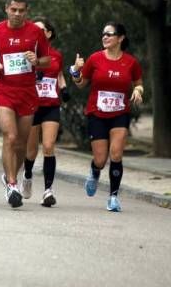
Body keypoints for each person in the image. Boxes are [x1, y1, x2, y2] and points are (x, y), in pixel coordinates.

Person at [0, 0, 50, 208]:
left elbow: (47, 60)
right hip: (3, 89)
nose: (17, 14)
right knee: (10, 136)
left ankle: (10, 174)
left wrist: (36, 61)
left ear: (26, 11)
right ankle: (12, 183)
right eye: (14, 10)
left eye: (21, 10)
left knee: (21, 142)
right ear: (6, 9)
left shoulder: (36, 32)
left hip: (27, 91)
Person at [71, 22, 143, 212]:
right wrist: (75, 71)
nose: (104, 37)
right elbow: (80, 84)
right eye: (103, 34)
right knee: (101, 160)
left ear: (120, 38)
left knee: (116, 154)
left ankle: (113, 197)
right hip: (97, 114)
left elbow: (138, 82)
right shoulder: (95, 59)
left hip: (120, 113)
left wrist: (138, 90)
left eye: (109, 34)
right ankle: (95, 172)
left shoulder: (131, 62)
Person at [23, 17, 70, 206]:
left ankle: (48, 191)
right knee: (31, 150)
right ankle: (27, 175)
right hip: (32, 105)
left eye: (41, 30)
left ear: (49, 34)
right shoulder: (27, 54)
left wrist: (64, 88)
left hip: (51, 105)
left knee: (49, 146)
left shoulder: (56, 55)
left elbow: (58, 74)